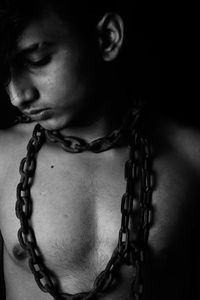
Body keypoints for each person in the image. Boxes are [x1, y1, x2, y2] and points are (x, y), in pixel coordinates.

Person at [0, 1, 198, 300]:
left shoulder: (191, 155)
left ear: (107, 38)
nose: (17, 96)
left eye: (38, 60)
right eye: (4, 72)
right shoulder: (2, 155)